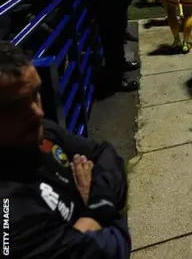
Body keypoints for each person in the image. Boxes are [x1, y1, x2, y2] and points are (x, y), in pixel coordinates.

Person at [0, 41, 130, 258]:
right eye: (15, 107)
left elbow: (105, 153)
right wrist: (100, 210)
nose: (37, 112)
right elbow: (112, 248)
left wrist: (95, 206)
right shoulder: (11, 215)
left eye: (35, 94)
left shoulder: (38, 131)